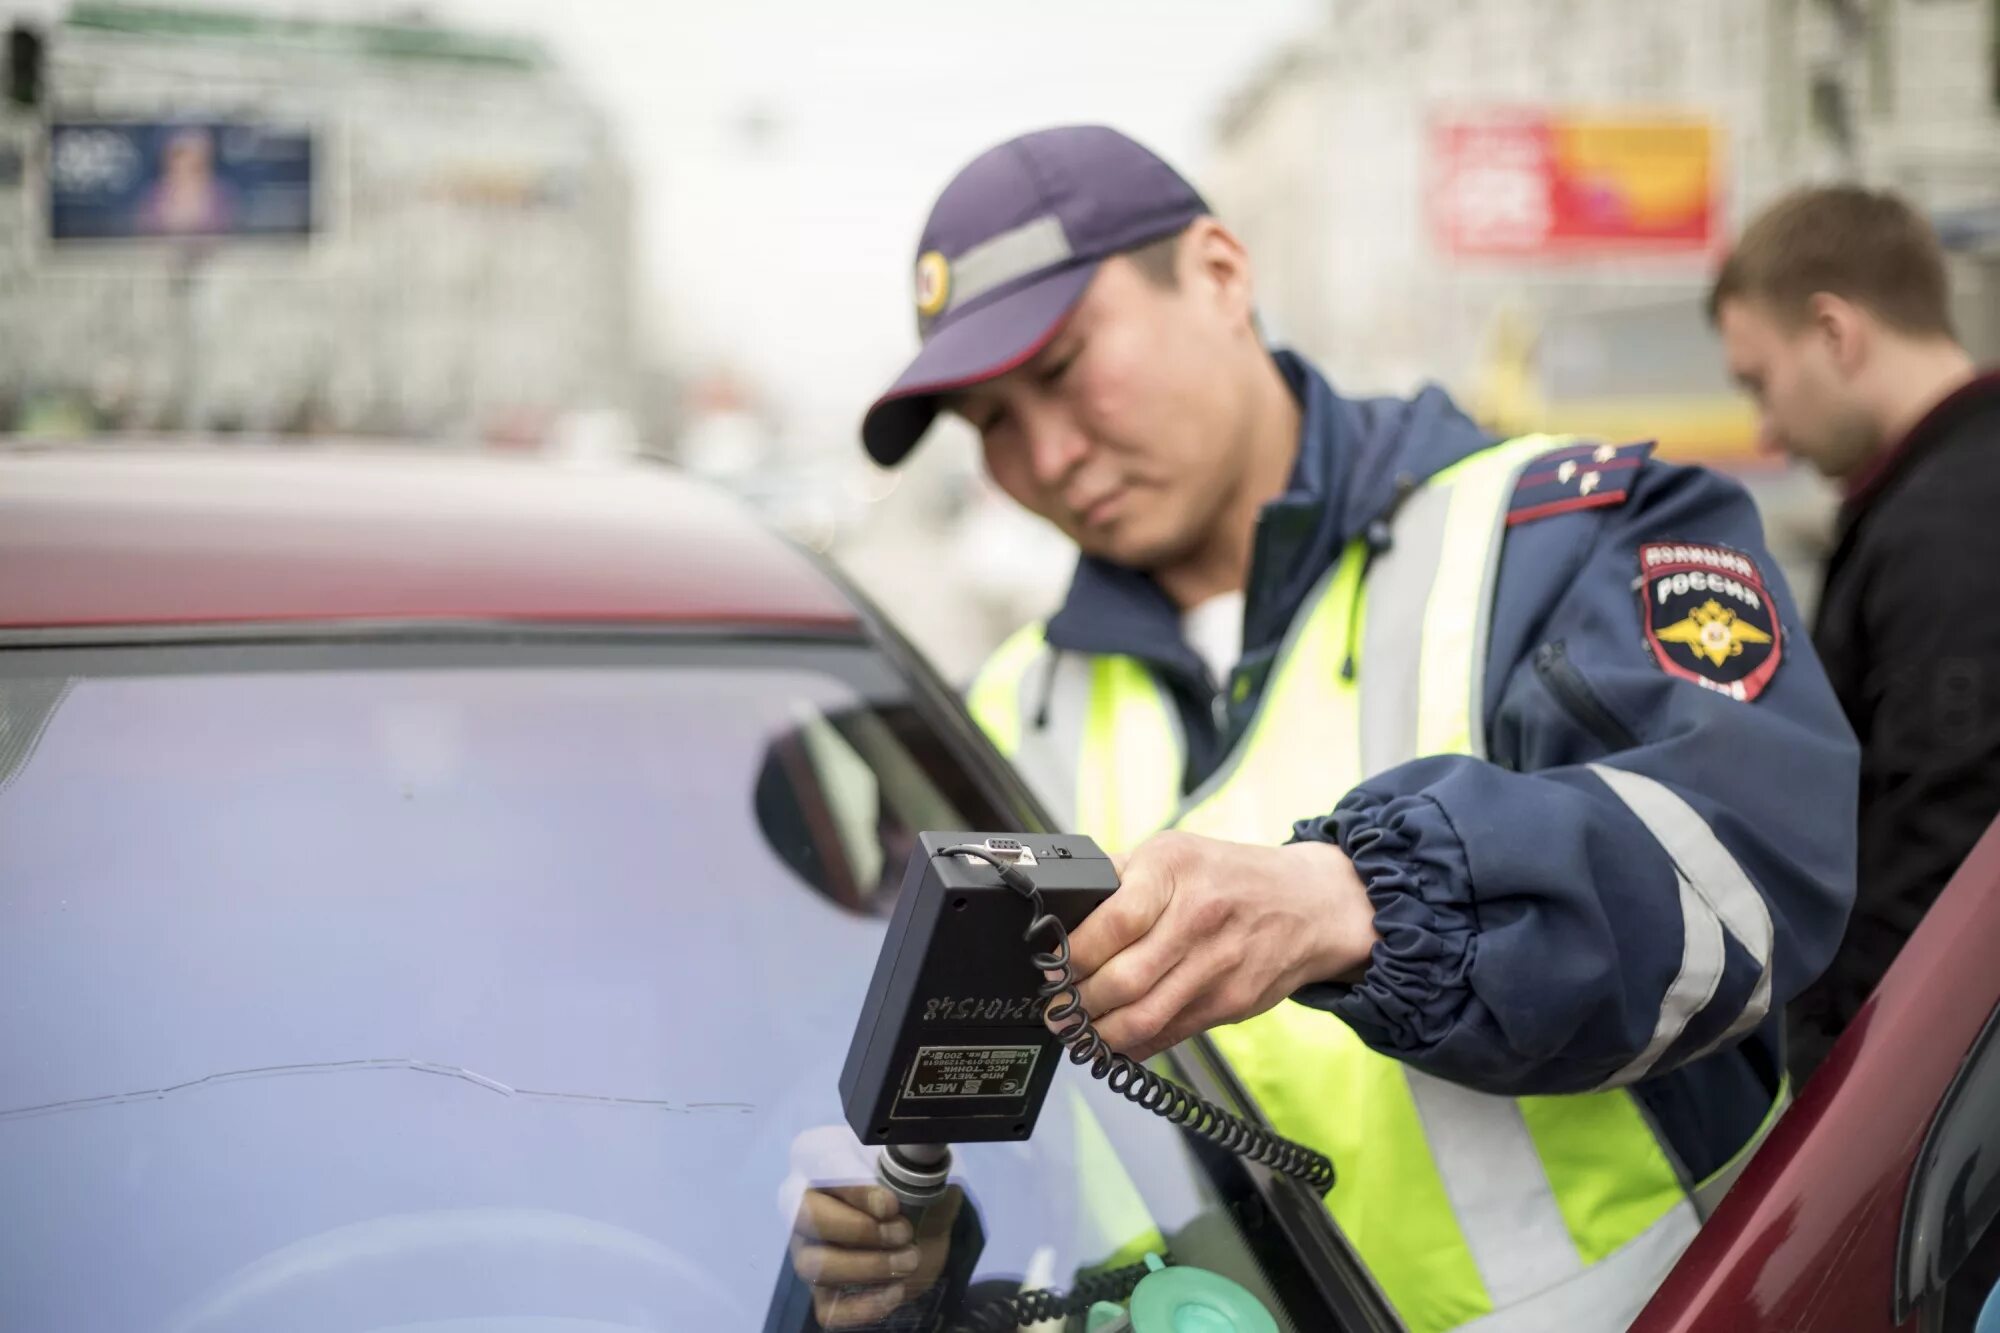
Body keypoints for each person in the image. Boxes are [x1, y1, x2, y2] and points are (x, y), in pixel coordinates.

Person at [826, 125, 1857, 1333]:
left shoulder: (1559, 533)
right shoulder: (1003, 711)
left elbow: (1754, 865)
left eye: (1058, 370)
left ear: (1217, 273)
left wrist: (1358, 901)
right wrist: (933, 1232)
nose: (1044, 454)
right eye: (989, 422)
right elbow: (1040, 1128)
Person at [1709, 185, 2000, 1083]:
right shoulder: (1945, 494)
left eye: (1760, 382)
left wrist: (1849, 1098)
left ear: (1835, 332)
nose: (1765, 429)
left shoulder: (1949, 526)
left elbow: (1937, 861)